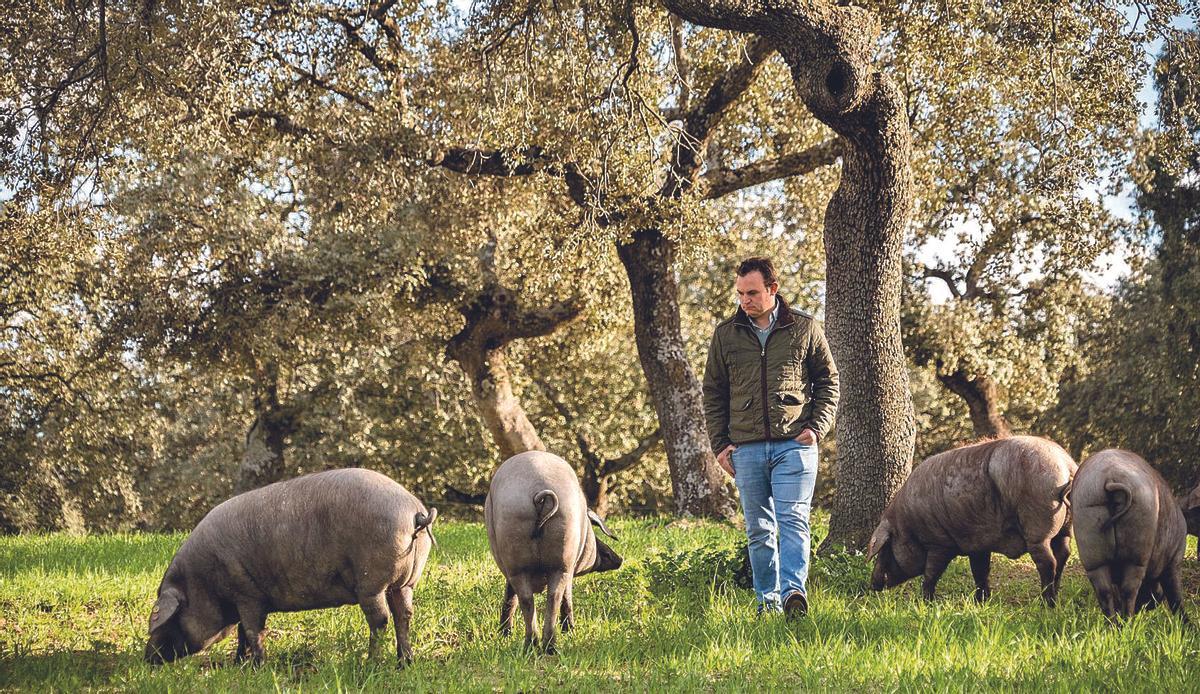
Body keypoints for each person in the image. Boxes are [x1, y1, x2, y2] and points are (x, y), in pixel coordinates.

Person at [702, 256, 839, 617]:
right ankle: (768, 601)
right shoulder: (726, 335)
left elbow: (829, 382)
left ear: (773, 290)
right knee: (759, 530)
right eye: (740, 293)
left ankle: (794, 593)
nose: (744, 300)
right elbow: (713, 393)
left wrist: (817, 427)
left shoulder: (805, 329)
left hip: (795, 445)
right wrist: (719, 446)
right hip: (745, 449)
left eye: (752, 293)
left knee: (793, 521)